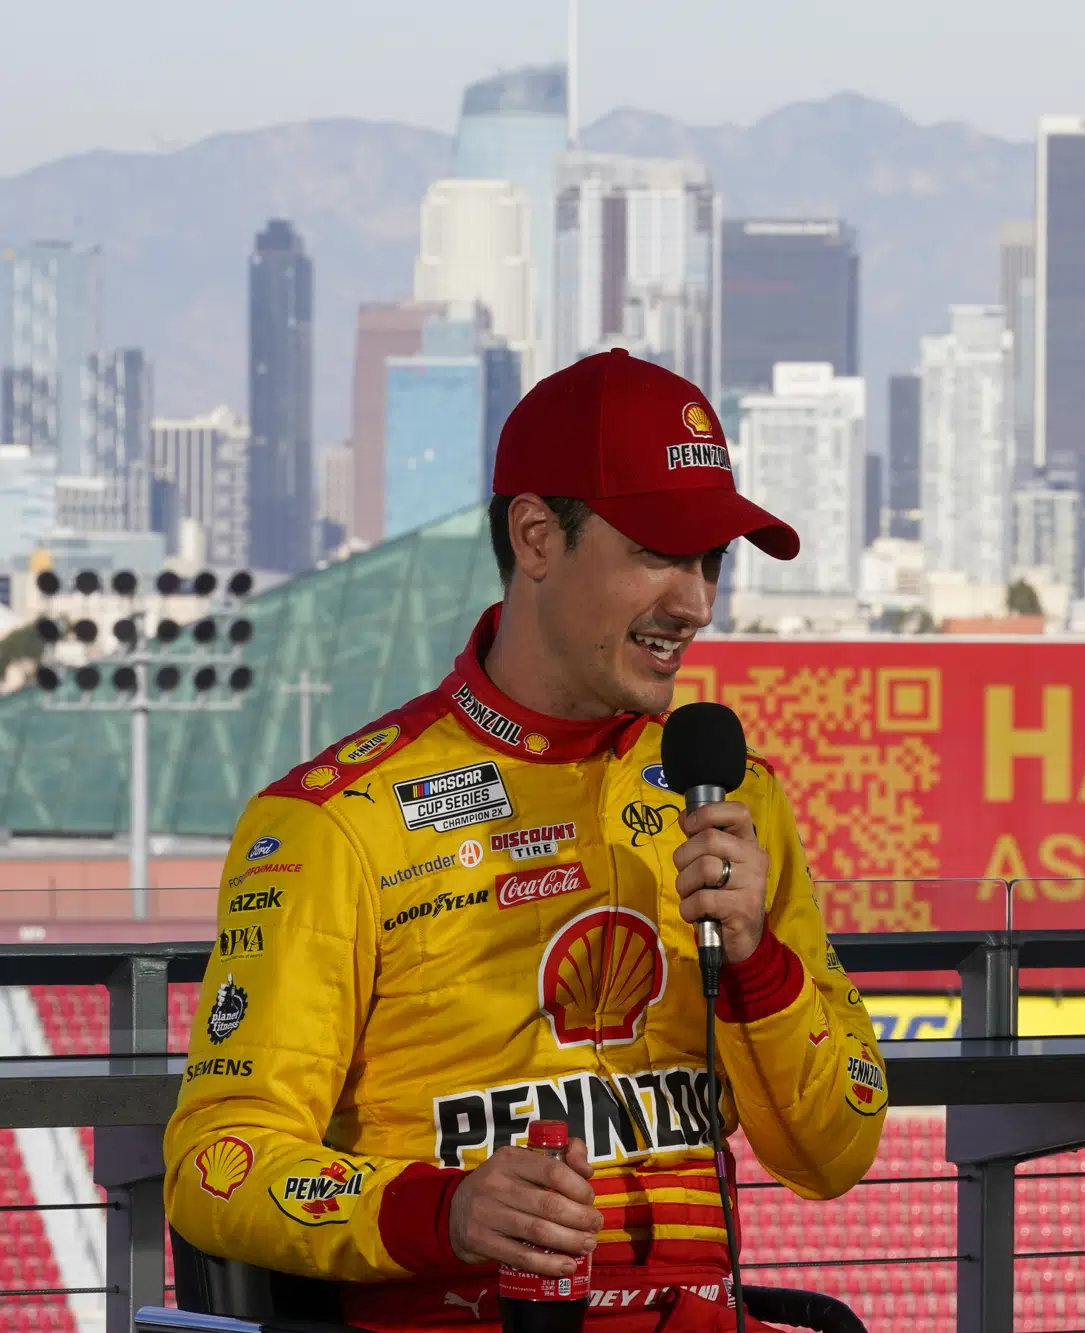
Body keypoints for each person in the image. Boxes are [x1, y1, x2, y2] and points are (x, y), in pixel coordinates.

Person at [164, 349, 888, 1331]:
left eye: (710, 560)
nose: (696, 602)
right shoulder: (333, 822)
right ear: (537, 536)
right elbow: (217, 1166)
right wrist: (447, 1211)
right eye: (658, 551)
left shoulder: (733, 799)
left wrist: (759, 964)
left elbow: (834, 1153)